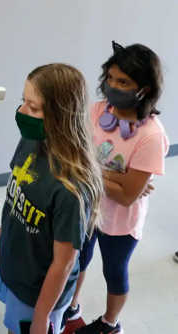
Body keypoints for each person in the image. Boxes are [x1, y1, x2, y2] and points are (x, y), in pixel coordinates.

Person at [0, 63, 104, 334]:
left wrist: (41, 317)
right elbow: (13, 198)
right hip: (16, 269)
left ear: (61, 116)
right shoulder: (30, 141)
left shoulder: (70, 188)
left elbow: (63, 264)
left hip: (39, 294)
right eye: (23, 102)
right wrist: (0, 243)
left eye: (34, 108)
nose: (22, 112)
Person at [64, 42, 169, 334]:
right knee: (78, 259)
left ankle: (111, 323)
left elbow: (125, 197)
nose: (112, 86)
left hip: (119, 222)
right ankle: (71, 305)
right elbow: (75, 154)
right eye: (110, 78)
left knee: (114, 270)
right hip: (86, 205)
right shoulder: (98, 110)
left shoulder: (151, 136)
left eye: (123, 81)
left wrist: (91, 171)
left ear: (144, 88)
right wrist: (118, 178)